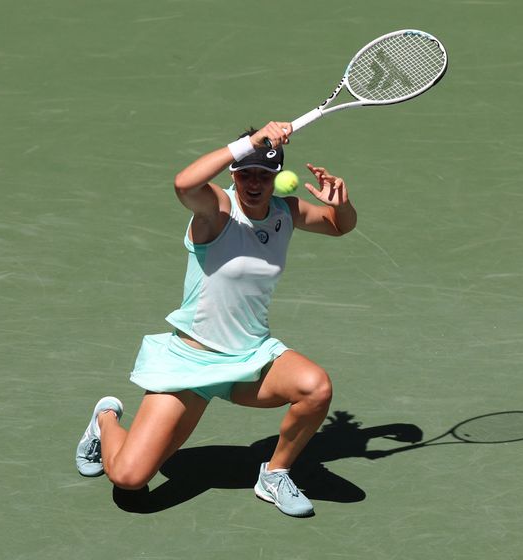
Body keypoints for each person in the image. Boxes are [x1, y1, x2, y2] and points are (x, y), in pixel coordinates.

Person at [75, 121, 357, 517]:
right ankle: (105, 419)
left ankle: (274, 474)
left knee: (317, 387)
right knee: (129, 478)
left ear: (276, 177)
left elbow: (338, 225)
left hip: (250, 361)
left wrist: (340, 204)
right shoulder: (217, 211)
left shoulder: (285, 213)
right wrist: (246, 144)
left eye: (264, 174)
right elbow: (183, 185)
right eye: (246, 173)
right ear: (234, 172)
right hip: (191, 363)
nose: (254, 183)